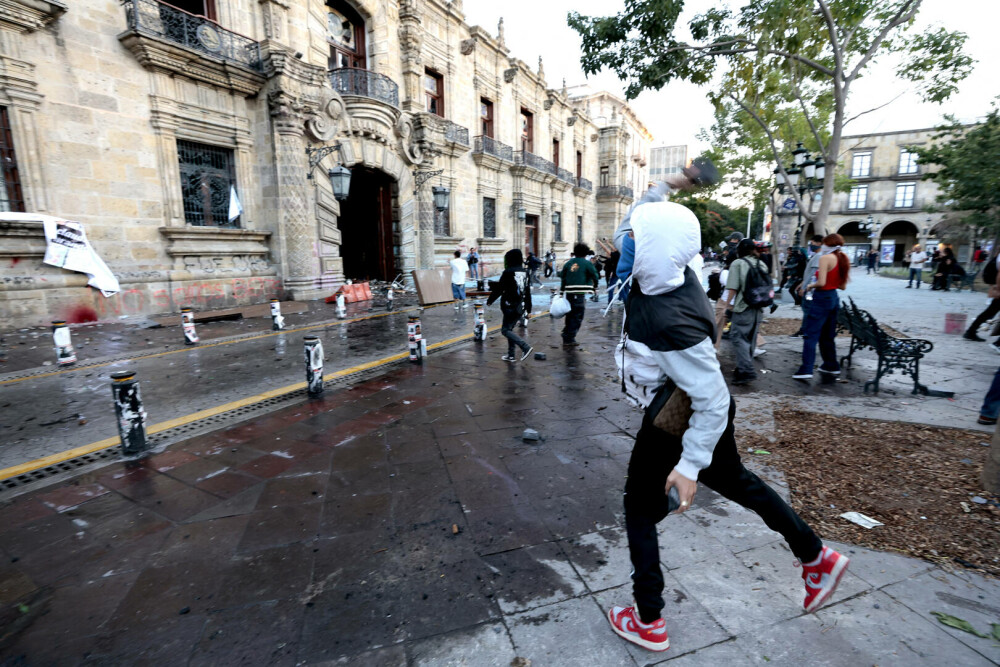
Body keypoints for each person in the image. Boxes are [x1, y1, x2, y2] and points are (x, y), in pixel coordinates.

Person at [607, 199, 848, 653]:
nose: (627, 243)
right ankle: (815, 555)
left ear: (655, 246)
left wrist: (689, 466)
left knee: (639, 508)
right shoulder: (674, 272)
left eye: (637, 238)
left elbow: (713, 399)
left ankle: (648, 619)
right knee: (738, 481)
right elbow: (637, 230)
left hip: (679, 417)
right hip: (690, 408)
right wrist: (666, 190)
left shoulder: (667, 317)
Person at [793, 234, 850, 381]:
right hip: (833, 297)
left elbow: (821, 282)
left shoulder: (825, 258)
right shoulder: (842, 258)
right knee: (827, 335)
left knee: (810, 334)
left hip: (821, 298)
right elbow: (842, 286)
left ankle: (806, 369)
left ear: (828, 244)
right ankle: (831, 365)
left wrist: (810, 286)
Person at [725, 239, 768, 385]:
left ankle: (746, 371)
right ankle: (742, 368)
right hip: (758, 308)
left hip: (743, 306)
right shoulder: (761, 263)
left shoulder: (738, 263)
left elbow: (733, 287)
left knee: (738, 338)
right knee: (750, 339)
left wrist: (727, 306)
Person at [487, 249, 533, 362]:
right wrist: (529, 309)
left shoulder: (508, 272)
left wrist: (490, 300)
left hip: (509, 306)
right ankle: (511, 355)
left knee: (505, 330)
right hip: (520, 306)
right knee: (510, 329)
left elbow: (499, 288)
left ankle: (525, 347)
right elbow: (527, 292)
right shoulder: (525, 272)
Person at [559, 243, 600, 346]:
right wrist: (595, 286)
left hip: (569, 293)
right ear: (585, 253)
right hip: (579, 292)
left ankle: (566, 334)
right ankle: (569, 337)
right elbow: (595, 275)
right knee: (577, 315)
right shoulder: (587, 263)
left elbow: (563, 277)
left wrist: (561, 291)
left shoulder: (568, 263)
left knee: (570, 314)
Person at [791, 235, 825, 337]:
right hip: (809, 287)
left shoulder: (818, 256)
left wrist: (804, 287)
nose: (811, 245)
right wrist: (802, 283)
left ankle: (805, 330)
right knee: (807, 309)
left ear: (819, 243)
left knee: (807, 310)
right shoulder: (817, 256)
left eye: (812, 243)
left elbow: (812, 274)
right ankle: (805, 329)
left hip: (810, 290)